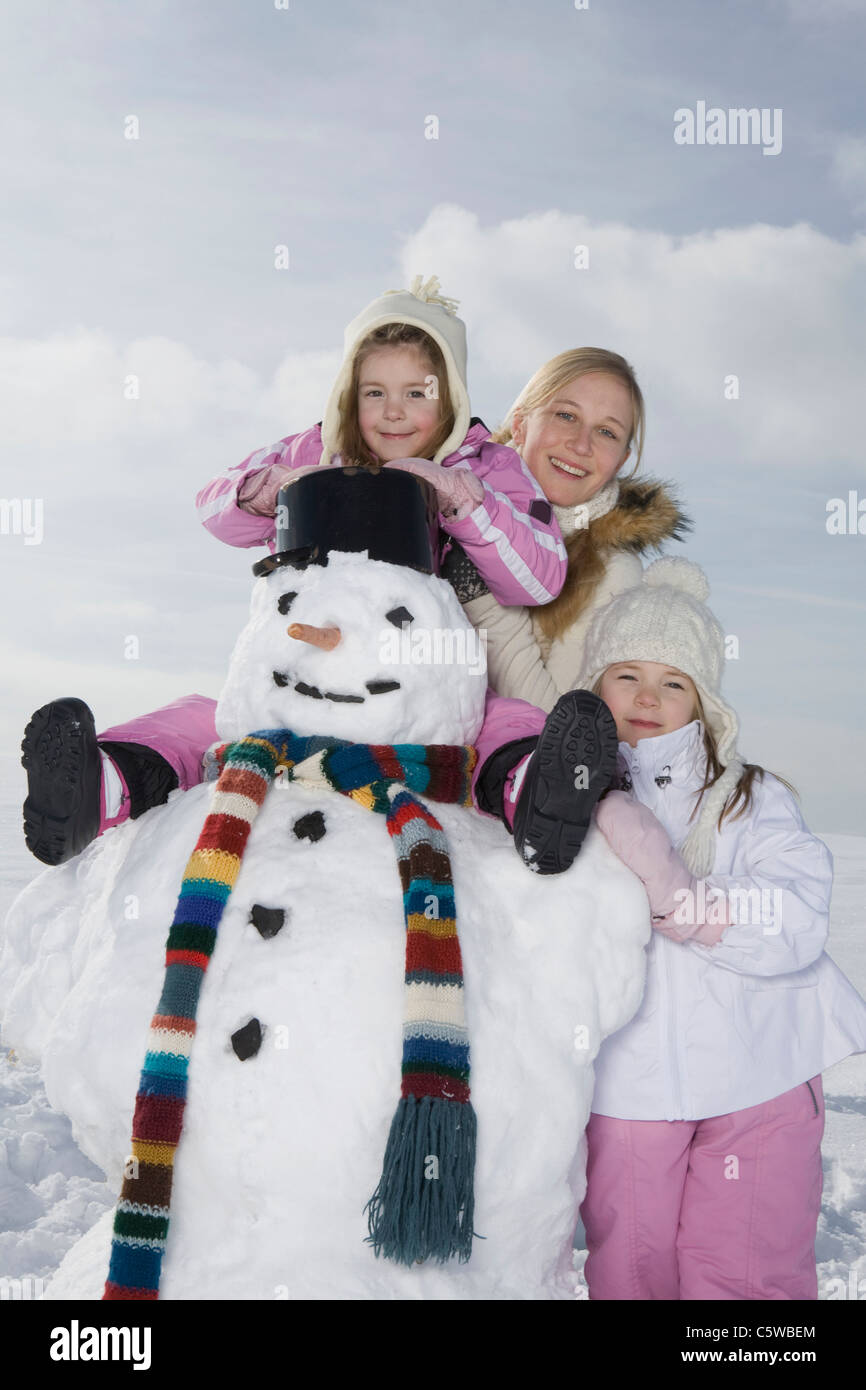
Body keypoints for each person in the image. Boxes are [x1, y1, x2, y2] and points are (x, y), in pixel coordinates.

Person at [25, 276, 617, 870]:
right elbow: (210, 507)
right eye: (373, 392)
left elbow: (539, 577)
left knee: (504, 720)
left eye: (418, 393)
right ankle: (99, 786)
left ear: (452, 399)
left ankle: (535, 793)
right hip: (303, 670)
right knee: (204, 716)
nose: (392, 412)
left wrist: (465, 500)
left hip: (426, 689)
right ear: (346, 396)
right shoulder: (317, 451)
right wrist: (264, 493)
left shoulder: (488, 465)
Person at [571, 556, 866, 1300]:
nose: (647, 696)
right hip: (626, 1084)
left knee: (743, 1270)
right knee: (631, 1269)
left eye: (674, 682)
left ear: (704, 703)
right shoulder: (565, 803)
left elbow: (795, 913)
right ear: (591, 685)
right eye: (626, 673)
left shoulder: (749, 798)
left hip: (759, 1072)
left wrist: (688, 903)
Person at [463, 349, 689, 848]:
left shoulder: (612, 572)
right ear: (520, 424)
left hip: (501, 815)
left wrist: (480, 599)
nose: (581, 443)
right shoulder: (452, 497)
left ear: (622, 459)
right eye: (565, 415)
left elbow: (558, 727)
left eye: (607, 432)